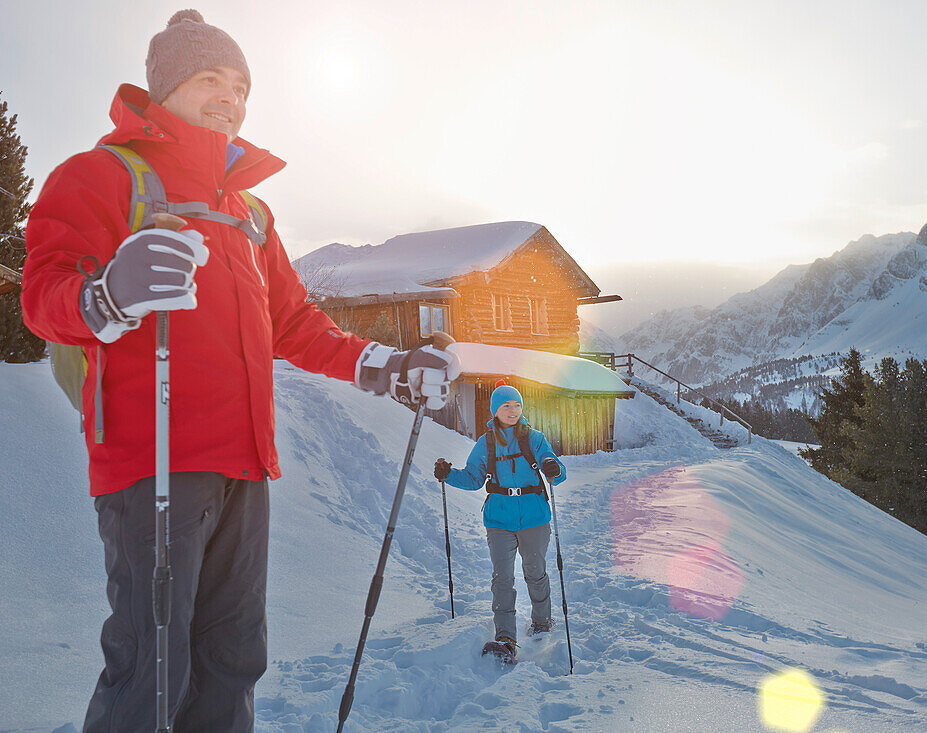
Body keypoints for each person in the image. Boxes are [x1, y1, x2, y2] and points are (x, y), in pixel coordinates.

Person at [20, 10, 459, 731]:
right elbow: (44, 296)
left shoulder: (250, 213)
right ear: (164, 89)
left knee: (231, 664)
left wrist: (388, 362)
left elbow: (295, 324)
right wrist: (107, 295)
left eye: (241, 85)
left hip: (245, 468)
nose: (231, 96)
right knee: (150, 673)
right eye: (210, 78)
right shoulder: (100, 176)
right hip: (152, 461)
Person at [434, 382, 565, 659]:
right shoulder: (486, 443)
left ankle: (542, 622)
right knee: (502, 579)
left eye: (517, 405)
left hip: (534, 517)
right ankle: (505, 638)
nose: (513, 410)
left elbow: (554, 468)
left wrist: (554, 468)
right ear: (495, 410)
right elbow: (473, 478)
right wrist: (449, 474)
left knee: (535, 572)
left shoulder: (534, 438)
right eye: (506, 405)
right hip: (499, 520)